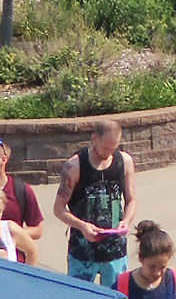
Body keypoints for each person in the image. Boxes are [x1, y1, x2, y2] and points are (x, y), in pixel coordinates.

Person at [55, 119, 139, 286]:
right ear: (94, 139)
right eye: (105, 148)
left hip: (115, 249)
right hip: (83, 251)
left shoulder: (124, 162)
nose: (109, 153)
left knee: (116, 294)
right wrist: (82, 226)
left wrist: (126, 221)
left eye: (113, 148)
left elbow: (131, 200)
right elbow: (58, 209)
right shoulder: (75, 166)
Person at [114, 221, 176, 298]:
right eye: (152, 267)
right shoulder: (122, 286)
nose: (157, 273)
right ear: (140, 258)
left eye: (162, 267)